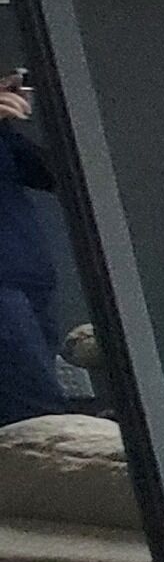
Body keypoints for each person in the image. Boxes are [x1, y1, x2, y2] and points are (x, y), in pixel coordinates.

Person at [1, 67, 77, 425]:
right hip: (6, 287)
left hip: (31, 279)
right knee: (38, 417)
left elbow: (57, 174)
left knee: (30, 421)